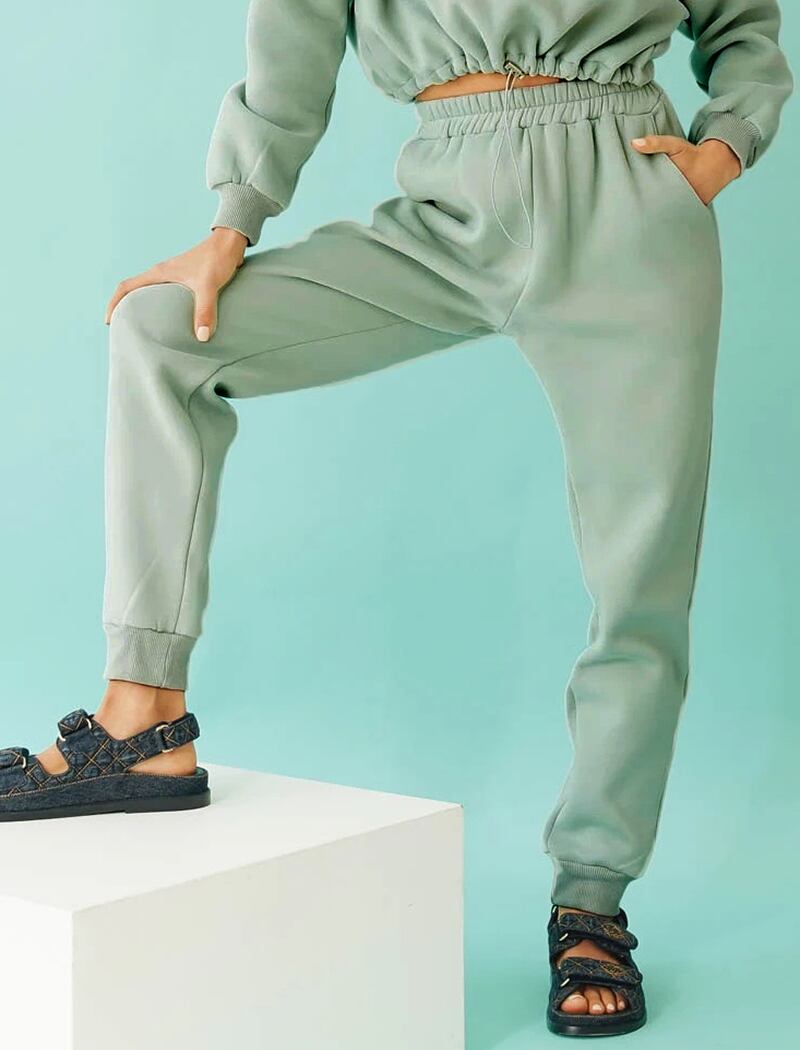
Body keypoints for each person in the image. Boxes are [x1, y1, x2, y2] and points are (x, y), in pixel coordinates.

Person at [1, 0, 792, 1037]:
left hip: (629, 207)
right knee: (161, 333)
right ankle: (142, 717)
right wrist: (232, 223)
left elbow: (743, 25)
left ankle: (591, 901)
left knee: (640, 581)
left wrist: (723, 145)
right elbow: (291, 45)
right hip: (448, 205)